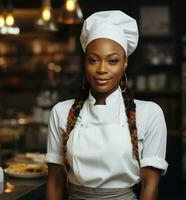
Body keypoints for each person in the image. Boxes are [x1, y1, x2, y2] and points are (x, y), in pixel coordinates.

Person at [46, 10, 168, 200]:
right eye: (93, 60)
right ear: (85, 62)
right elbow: (55, 182)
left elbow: (149, 185)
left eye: (112, 61)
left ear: (125, 63)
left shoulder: (149, 114)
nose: (102, 69)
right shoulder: (61, 112)